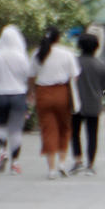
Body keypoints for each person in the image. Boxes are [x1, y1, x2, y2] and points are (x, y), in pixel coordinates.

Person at [29, 26, 80, 180]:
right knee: (64, 127)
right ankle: (62, 163)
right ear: (58, 38)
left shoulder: (37, 54)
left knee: (48, 129)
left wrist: (32, 92)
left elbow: (31, 76)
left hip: (43, 93)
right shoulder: (66, 53)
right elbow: (75, 75)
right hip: (62, 92)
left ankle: (51, 169)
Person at [0, 24, 29, 175]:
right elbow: (27, 76)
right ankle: (15, 163)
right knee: (16, 130)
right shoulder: (21, 57)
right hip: (18, 95)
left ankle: (2, 151)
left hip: (0, 95)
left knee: (1, 126)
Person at [69, 34, 105, 176]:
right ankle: (90, 164)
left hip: (75, 104)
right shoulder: (100, 65)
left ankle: (77, 160)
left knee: (75, 133)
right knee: (92, 134)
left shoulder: (74, 63)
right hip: (94, 104)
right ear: (96, 47)